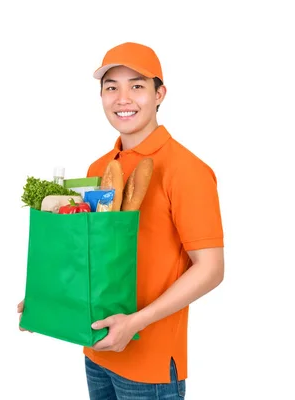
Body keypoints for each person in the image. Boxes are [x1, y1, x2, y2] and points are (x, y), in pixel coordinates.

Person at [18, 42, 225, 399]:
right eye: (111, 87)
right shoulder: (99, 170)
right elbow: (90, 259)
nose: (122, 98)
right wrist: (50, 298)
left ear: (160, 94)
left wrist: (135, 322)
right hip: (97, 348)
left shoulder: (186, 170)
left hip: (151, 366)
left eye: (137, 86)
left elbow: (211, 269)